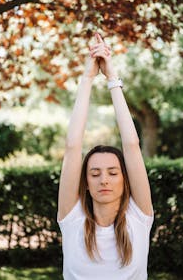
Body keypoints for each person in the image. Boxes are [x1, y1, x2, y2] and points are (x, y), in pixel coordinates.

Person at [57, 32, 154, 280]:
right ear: (86, 184)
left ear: (125, 180)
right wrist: (88, 77)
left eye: (113, 172)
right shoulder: (72, 219)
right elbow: (72, 146)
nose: (104, 180)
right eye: (95, 174)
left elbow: (132, 144)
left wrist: (112, 78)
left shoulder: (138, 217)